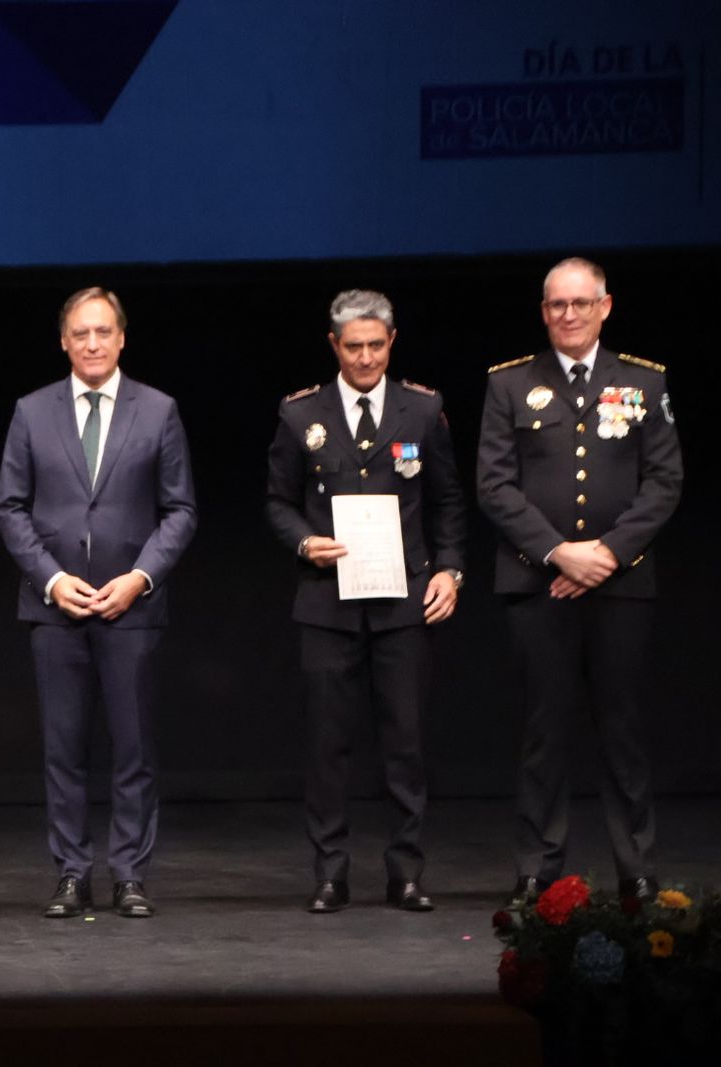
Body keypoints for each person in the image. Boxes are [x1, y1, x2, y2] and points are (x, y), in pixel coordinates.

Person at [477, 257, 682, 906]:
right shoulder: (511, 384)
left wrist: (607, 555)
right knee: (545, 729)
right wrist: (560, 553)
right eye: (557, 305)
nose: (568, 314)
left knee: (622, 729)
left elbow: (665, 482)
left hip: (621, 584)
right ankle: (538, 867)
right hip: (539, 584)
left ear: (605, 306)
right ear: (544, 312)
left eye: (580, 303)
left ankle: (637, 867)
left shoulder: (644, 382)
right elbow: (494, 485)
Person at [0, 287, 197, 919]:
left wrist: (141, 578)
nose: (91, 343)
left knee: (134, 749)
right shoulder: (31, 411)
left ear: (122, 338)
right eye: (80, 333)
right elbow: (9, 508)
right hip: (55, 610)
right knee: (63, 749)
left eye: (103, 332)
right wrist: (53, 580)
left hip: (130, 607)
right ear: (63, 340)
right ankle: (71, 873)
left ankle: (130, 873)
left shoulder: (158, 410)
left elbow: (182, 510)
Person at [265, 290, 469, 914]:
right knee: (328, 746)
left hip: (403, 604)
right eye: (353, 347)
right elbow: (276, 501)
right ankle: (330, 872)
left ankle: (405, 872)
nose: (365, 358)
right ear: (334, 346)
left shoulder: (422, 408)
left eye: (376, 346)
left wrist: (451, 571)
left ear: (392, 341)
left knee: (404, 743)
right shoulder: (303, 414)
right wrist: (304, 541)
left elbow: (448, 501)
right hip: (328, 605)